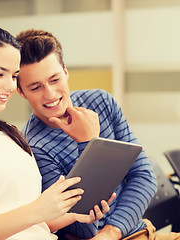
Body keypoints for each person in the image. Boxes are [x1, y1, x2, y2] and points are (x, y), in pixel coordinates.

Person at [0, 24, 115, 240]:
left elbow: (33, 224)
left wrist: (74, 213)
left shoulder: (10, 134)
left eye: (14, 76)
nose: (9, 86)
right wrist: (38, 209)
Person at [15, 29, 180, 240]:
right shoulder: (34, 147)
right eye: (36, 87)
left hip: (137, 231)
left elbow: (144, 176)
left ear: (65, 72)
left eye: (54, 79)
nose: (50, 94)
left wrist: (112, 231)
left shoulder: (101, 102)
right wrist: (89, 142)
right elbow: (86, 222)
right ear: (21, 92)